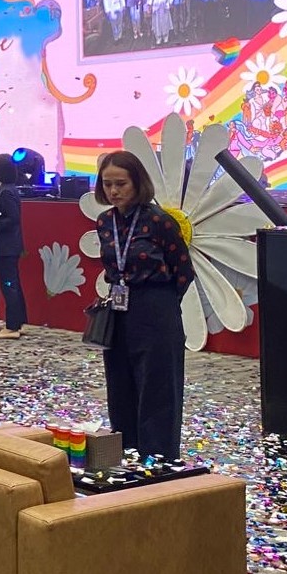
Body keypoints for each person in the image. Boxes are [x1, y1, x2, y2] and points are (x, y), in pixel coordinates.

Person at [93, 151, 193, 460]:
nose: (114, 191)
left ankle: (159, 459)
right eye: (107, 184)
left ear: (137, 183)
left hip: (156, 306)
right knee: (119, 384)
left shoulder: (159, 220)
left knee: (158, 387)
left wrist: (160, 302)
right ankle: (127, 455)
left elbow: (183, 270)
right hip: (118, 307)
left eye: (121, 184)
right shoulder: (105, 221)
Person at [0, 154, 27, 340]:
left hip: (6, 246)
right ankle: (19, 322)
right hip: (5, 246)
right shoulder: (4, 189)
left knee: (9, 286)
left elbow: (13, 218)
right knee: (12, 284)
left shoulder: (7, 192)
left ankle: (12, 326)